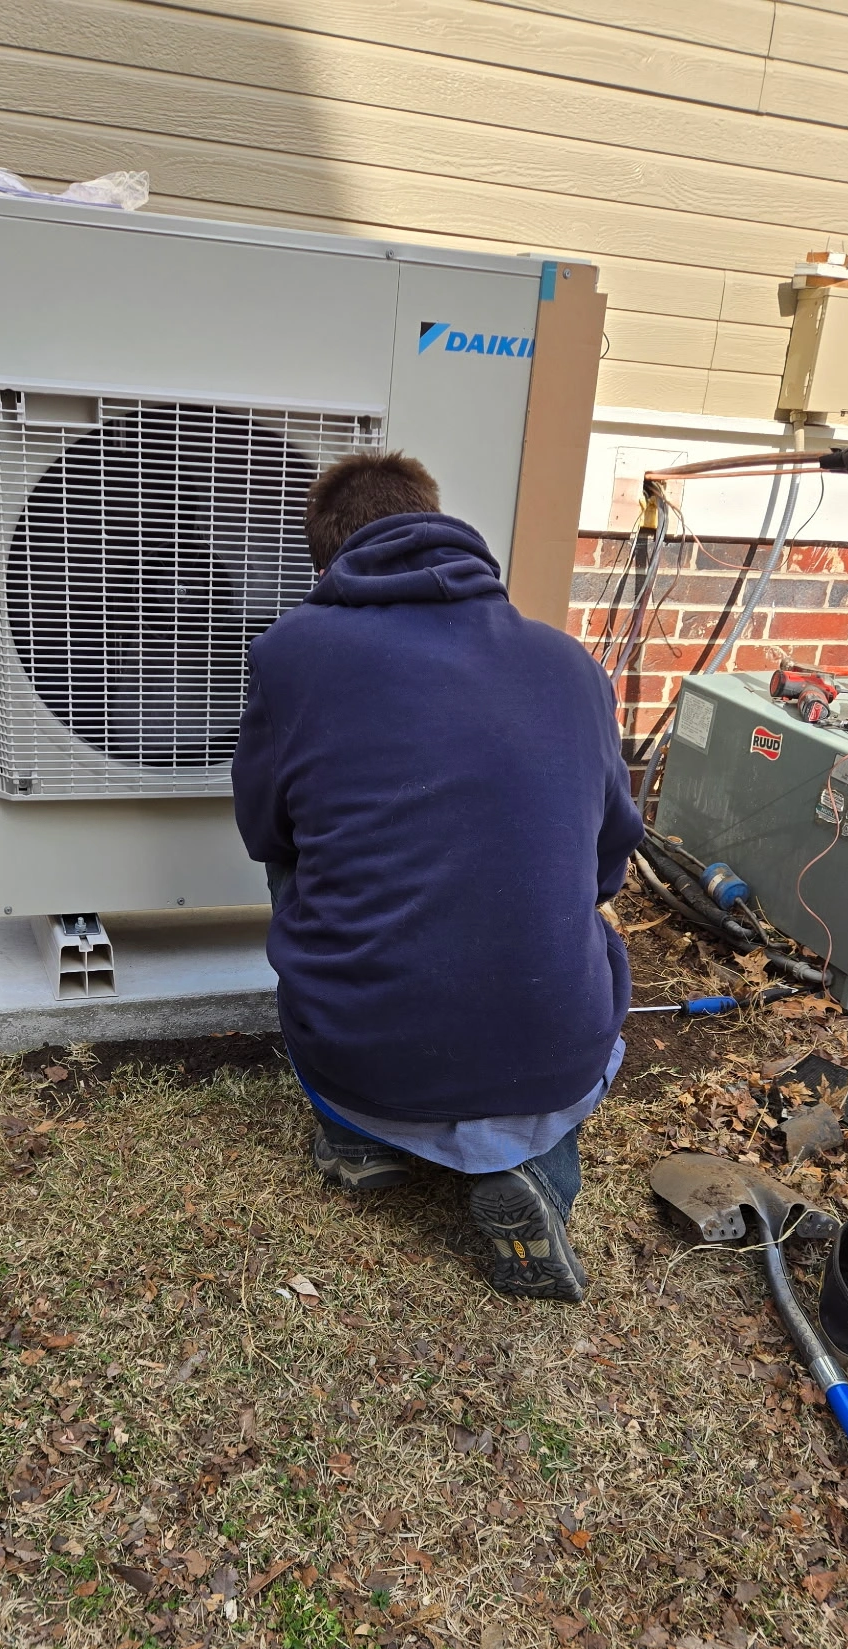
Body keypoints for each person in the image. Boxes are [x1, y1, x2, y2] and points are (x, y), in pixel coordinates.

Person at [231, 452, 643, 1301]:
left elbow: (262, 831)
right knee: (566, 934)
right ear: (440, 524)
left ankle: (359, 1141)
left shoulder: (290, 655)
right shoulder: (573, 665)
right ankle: (538, 1179)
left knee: (296, 865)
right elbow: (608, 863)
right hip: (552, 1043)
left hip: (368, 1047)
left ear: (329, 561)